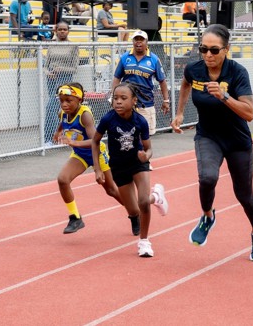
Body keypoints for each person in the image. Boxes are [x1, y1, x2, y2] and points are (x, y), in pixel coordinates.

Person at [170, 24, 253, 261]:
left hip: (237, 140)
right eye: (203, 49)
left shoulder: (237, 73)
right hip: (208, 136)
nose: (208, 55)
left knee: (244, 196)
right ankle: (208, 216)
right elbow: (185, 83)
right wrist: (180, 112)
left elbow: (249, 113)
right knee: (207, 178)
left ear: (226, 49)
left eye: (214, 50)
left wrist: (224, 96)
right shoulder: (195, 70)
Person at [51, 82, 153, 234]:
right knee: (62, 179)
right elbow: (63, 122)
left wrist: (74, 142)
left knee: (112, 190)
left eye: (68, 100)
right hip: (80, 155)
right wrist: (58, 132)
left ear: (79, 100)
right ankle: (75, 217)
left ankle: (134, 214)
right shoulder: (63, 113)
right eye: (61, 101)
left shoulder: (85, 115)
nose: (64, 104)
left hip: (98, 154)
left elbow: (94, 141)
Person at [93, 82, 168, 257]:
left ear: (134, 100)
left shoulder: (140, 121)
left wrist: (146, 156)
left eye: (123, 98)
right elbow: (95, 141)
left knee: (142, 202)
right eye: (115, 98)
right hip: (118, 166)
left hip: (138, 163)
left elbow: (149, 148)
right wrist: (97, 169)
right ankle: (156, 197)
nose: (118, 102)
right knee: (134, 209)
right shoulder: (107, 119)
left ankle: (144, 242)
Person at [111, 30, 170, 136]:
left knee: (145, 137)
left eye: (141, 40)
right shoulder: (125, 57)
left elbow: (162, 81)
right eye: (136, 39)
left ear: (146, 42)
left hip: (145, 104)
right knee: (126, 136)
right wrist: (114, 97)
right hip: (127, 105)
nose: (138, 42)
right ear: (132, 41)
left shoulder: (154, 59)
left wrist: (166, 100)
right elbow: (117, 78)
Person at [42, 21, 79, 146]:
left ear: (68, 31)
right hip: (52, 79)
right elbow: (45, 66)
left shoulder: (73, 46)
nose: (62, 31)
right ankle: (49, 138)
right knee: (52, 108)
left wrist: (61, 69)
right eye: (60, 29)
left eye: (65, 29)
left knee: (60, 107)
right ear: (56, 31)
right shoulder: (52, 46)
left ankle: (58, 137)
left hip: (66, 80)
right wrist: (48, 73)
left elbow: (75, 68)